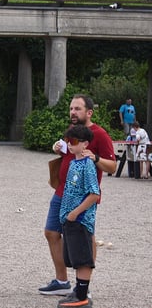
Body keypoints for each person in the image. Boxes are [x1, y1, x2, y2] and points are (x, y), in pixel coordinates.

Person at [38, 94, 116, 297]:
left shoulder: (100, 134)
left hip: (82, 197)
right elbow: (73, 154)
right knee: (51, 232)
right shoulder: (72, 132)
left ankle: (83, 286)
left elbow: (112, 166)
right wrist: (60, 148)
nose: (73, 112)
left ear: (89, 112)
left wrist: (96, 157)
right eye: (71, 108)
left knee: (85, 236)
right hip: (61, 191)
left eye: (77, 109)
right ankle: (62, 281)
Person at [55, 124, 100, 307]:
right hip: (69, 219)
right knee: (74, 256)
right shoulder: (74, 163)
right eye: (68, 141)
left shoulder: (88, 165)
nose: (70, 145)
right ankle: (78, 291)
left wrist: (75, 213)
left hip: (80, 220)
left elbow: (94, 194)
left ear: (85, 144)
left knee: (82, 258)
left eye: (74, 141)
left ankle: (82, 296)